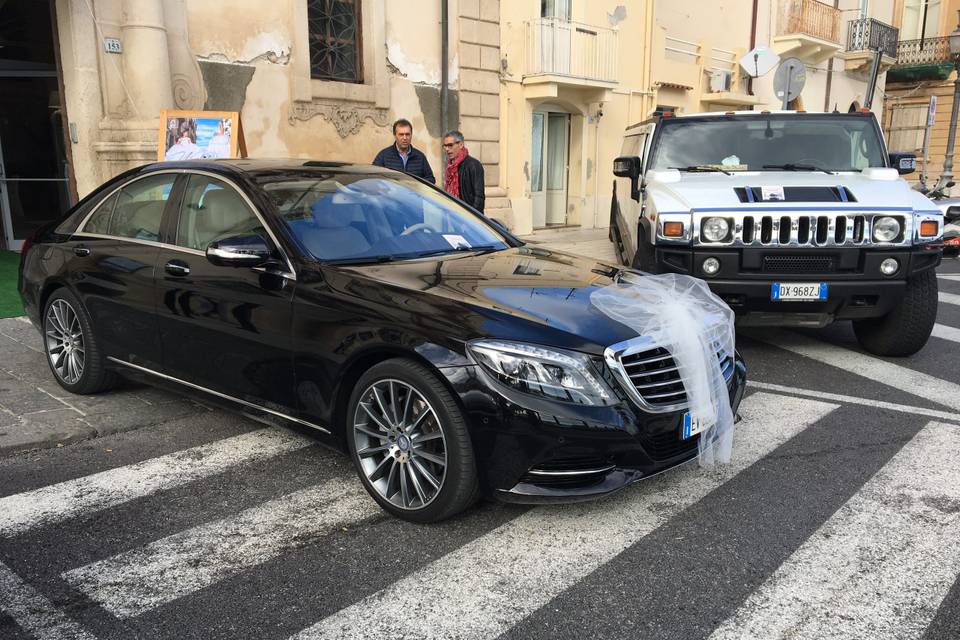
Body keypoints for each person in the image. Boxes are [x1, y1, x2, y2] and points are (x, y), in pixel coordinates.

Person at [372, 119, 435, 183]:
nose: (405, 138)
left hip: (413, 192)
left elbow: (431, 179)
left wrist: (416, 184)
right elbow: (373, 178)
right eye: (401, 134)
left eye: (407, 134)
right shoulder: (383, 156)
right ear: (395, 135)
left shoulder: (420, 157)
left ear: (411, 135)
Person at [442, 130, 484, 213]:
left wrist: (471, 218)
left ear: (461, 144)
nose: (447, 149)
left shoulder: (473, 165)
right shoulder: (450, 167)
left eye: (450, 145)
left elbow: (479, 197)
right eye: (445, 146)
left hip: (467, 218)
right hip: (452, 215)